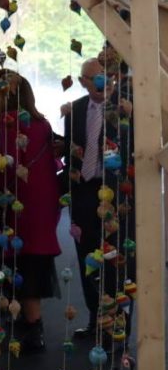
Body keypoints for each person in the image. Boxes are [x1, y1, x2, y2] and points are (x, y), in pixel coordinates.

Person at [0, 69, 61, 353]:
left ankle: (32, 327)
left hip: (18, 205)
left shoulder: (8, 124)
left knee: (22, 263)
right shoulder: (43, 123)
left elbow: (6, 167)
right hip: (44, 203)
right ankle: (31, 325)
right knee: (35, 262)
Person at [64, 54, 134, 343]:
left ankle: (118, 328)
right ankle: (96, 319)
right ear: (83, 82)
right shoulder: (76, 109)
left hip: (115, 197)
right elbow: (72, 151)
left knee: (116, 261)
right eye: (95, 78)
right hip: (83, 194)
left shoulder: (124, 108)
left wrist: (131, 115)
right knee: (88, 261)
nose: (103, 82)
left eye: (107, 77)